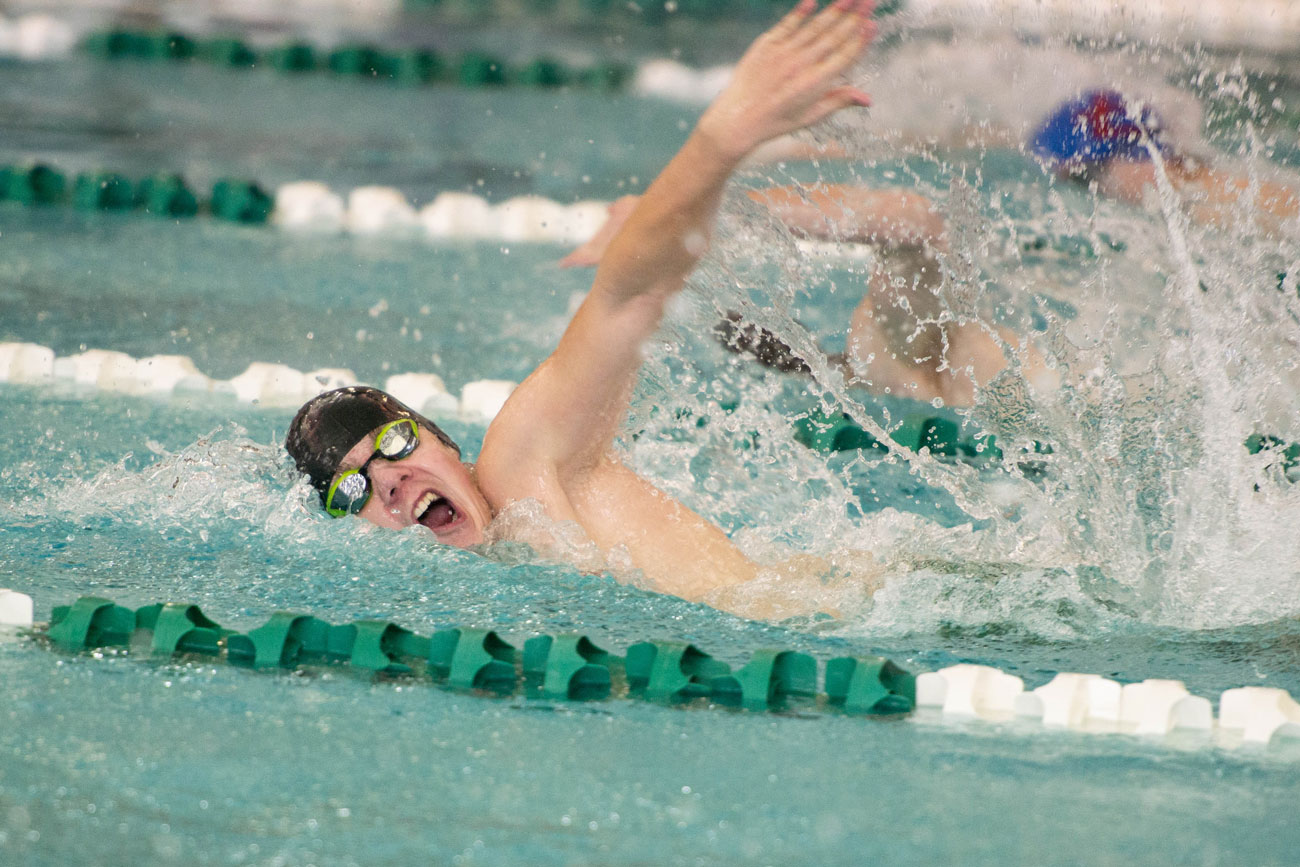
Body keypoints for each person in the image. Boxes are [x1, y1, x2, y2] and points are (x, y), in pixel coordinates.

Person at [286, 0, 882, 614]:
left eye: (395, 442)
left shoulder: (525, 466)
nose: (390, 481)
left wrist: (723, 137)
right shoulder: (455, 591)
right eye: (352, 491)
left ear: (443, 442)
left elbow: (630, 296)